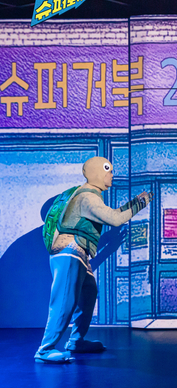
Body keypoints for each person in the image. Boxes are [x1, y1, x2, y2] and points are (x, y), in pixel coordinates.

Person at [35, 156, 152, 364]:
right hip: (70, 252)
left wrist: (134, 203)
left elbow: (105, 218)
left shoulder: (87, 195)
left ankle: (76, 341)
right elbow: (115, 219)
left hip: (79, 254)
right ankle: (45, 349)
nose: (112, 175)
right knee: (64, 300)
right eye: (108, 170)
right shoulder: (88, 197)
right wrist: (140, 203)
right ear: (97, 172)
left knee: (88, 294)